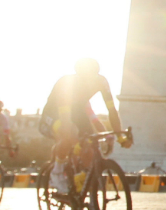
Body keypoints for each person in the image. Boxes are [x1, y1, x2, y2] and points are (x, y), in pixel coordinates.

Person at [40, 59, 130, 192]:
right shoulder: (67, 83)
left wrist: (120, 137)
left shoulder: (101, 82)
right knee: (68, 132)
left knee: (90, 143)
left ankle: (84, 186)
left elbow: (112, 111)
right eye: (84, 78)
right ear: (78, 75)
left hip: (77, 111)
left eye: (91, 77)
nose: (88, 82)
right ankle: (57, 171)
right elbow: (65, 120)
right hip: (55, 112)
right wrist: (76, 142)